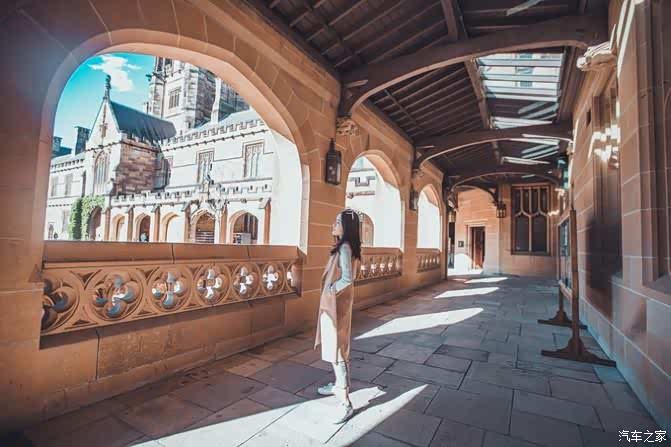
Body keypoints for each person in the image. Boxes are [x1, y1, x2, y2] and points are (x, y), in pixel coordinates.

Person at [314, 208, 361, 424]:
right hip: (336, 303)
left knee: (338, 351)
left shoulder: (344, 247)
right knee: (336, 347)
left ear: (346, 226)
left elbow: (347, 279)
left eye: (337, 222)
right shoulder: (347, 246)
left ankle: (345, 402)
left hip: (336, 305)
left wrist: (331, 290)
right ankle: (336, 385)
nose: (333, 225)